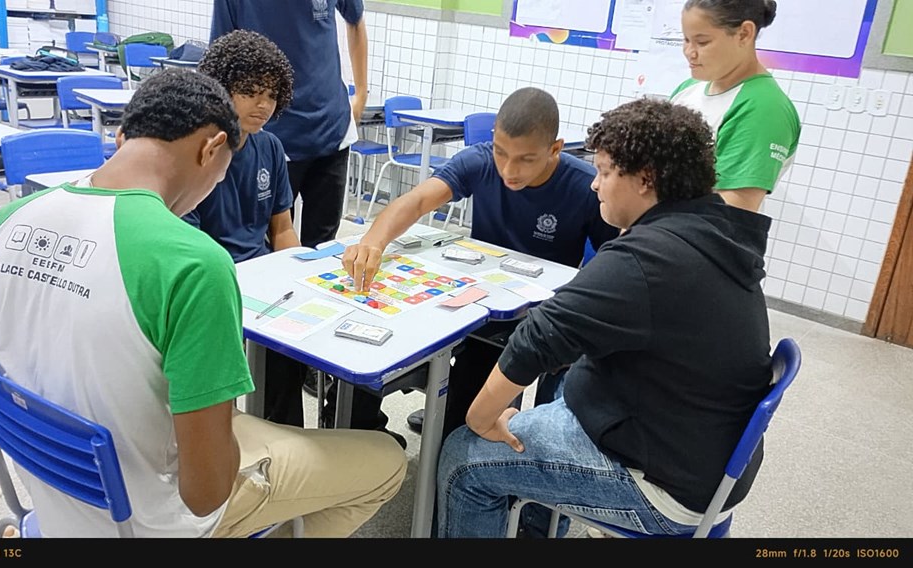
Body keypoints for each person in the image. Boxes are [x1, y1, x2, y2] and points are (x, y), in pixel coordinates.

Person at [0, 69, 406, 538]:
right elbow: (205, 492)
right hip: (152, 521)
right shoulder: (193, 263)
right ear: (212, 149)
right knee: (386, 461)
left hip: (52, 497)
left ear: (123, 137)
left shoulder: (8, 219)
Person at [435, 97, 774, 538]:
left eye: (605, 172)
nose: (595, 185)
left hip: (665, 483)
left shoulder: (647, 259)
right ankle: (535, 528)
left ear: (645, 179)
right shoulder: (712, 229)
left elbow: (536, 338)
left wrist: (480, 419)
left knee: (463, 456)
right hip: (700, 452)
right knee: (558, 387)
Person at [342, 87, 618, 442]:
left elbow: (612, 263)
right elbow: (417, 200)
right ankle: (364, 434)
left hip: (526, 318)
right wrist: (373, 241)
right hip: (469, 294)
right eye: (501, 152)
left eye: (526, 159)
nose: (509, 170)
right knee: (377, 329)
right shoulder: (481, 160)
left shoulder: (584, 186)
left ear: (555, 149)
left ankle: (451, 425)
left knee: (465, 419)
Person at [183, 29, 312, 430]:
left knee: (294, 351)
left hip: (263, 278)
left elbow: (283, 229)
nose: (263, 105)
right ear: (221, 89)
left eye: (271, 95)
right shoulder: (196, 151)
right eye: (251, 92)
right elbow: (191, 249)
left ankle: (285, 434)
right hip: (215, 279)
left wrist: (300, 277)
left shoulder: (270, 147)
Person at [210, 0, 369, 248]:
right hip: (273, 133)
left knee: (323, 243)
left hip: (332, 128)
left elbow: (356, 20)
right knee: (263, 237)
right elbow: (220, 56)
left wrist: (361, 94)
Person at [672, 0, 801, 213]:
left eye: (702, 42)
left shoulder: (763, 107)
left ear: (744, 34)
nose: (689, 52)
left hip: (692, 232)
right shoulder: (688, 89)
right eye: (686, 39)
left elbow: (732, 212)